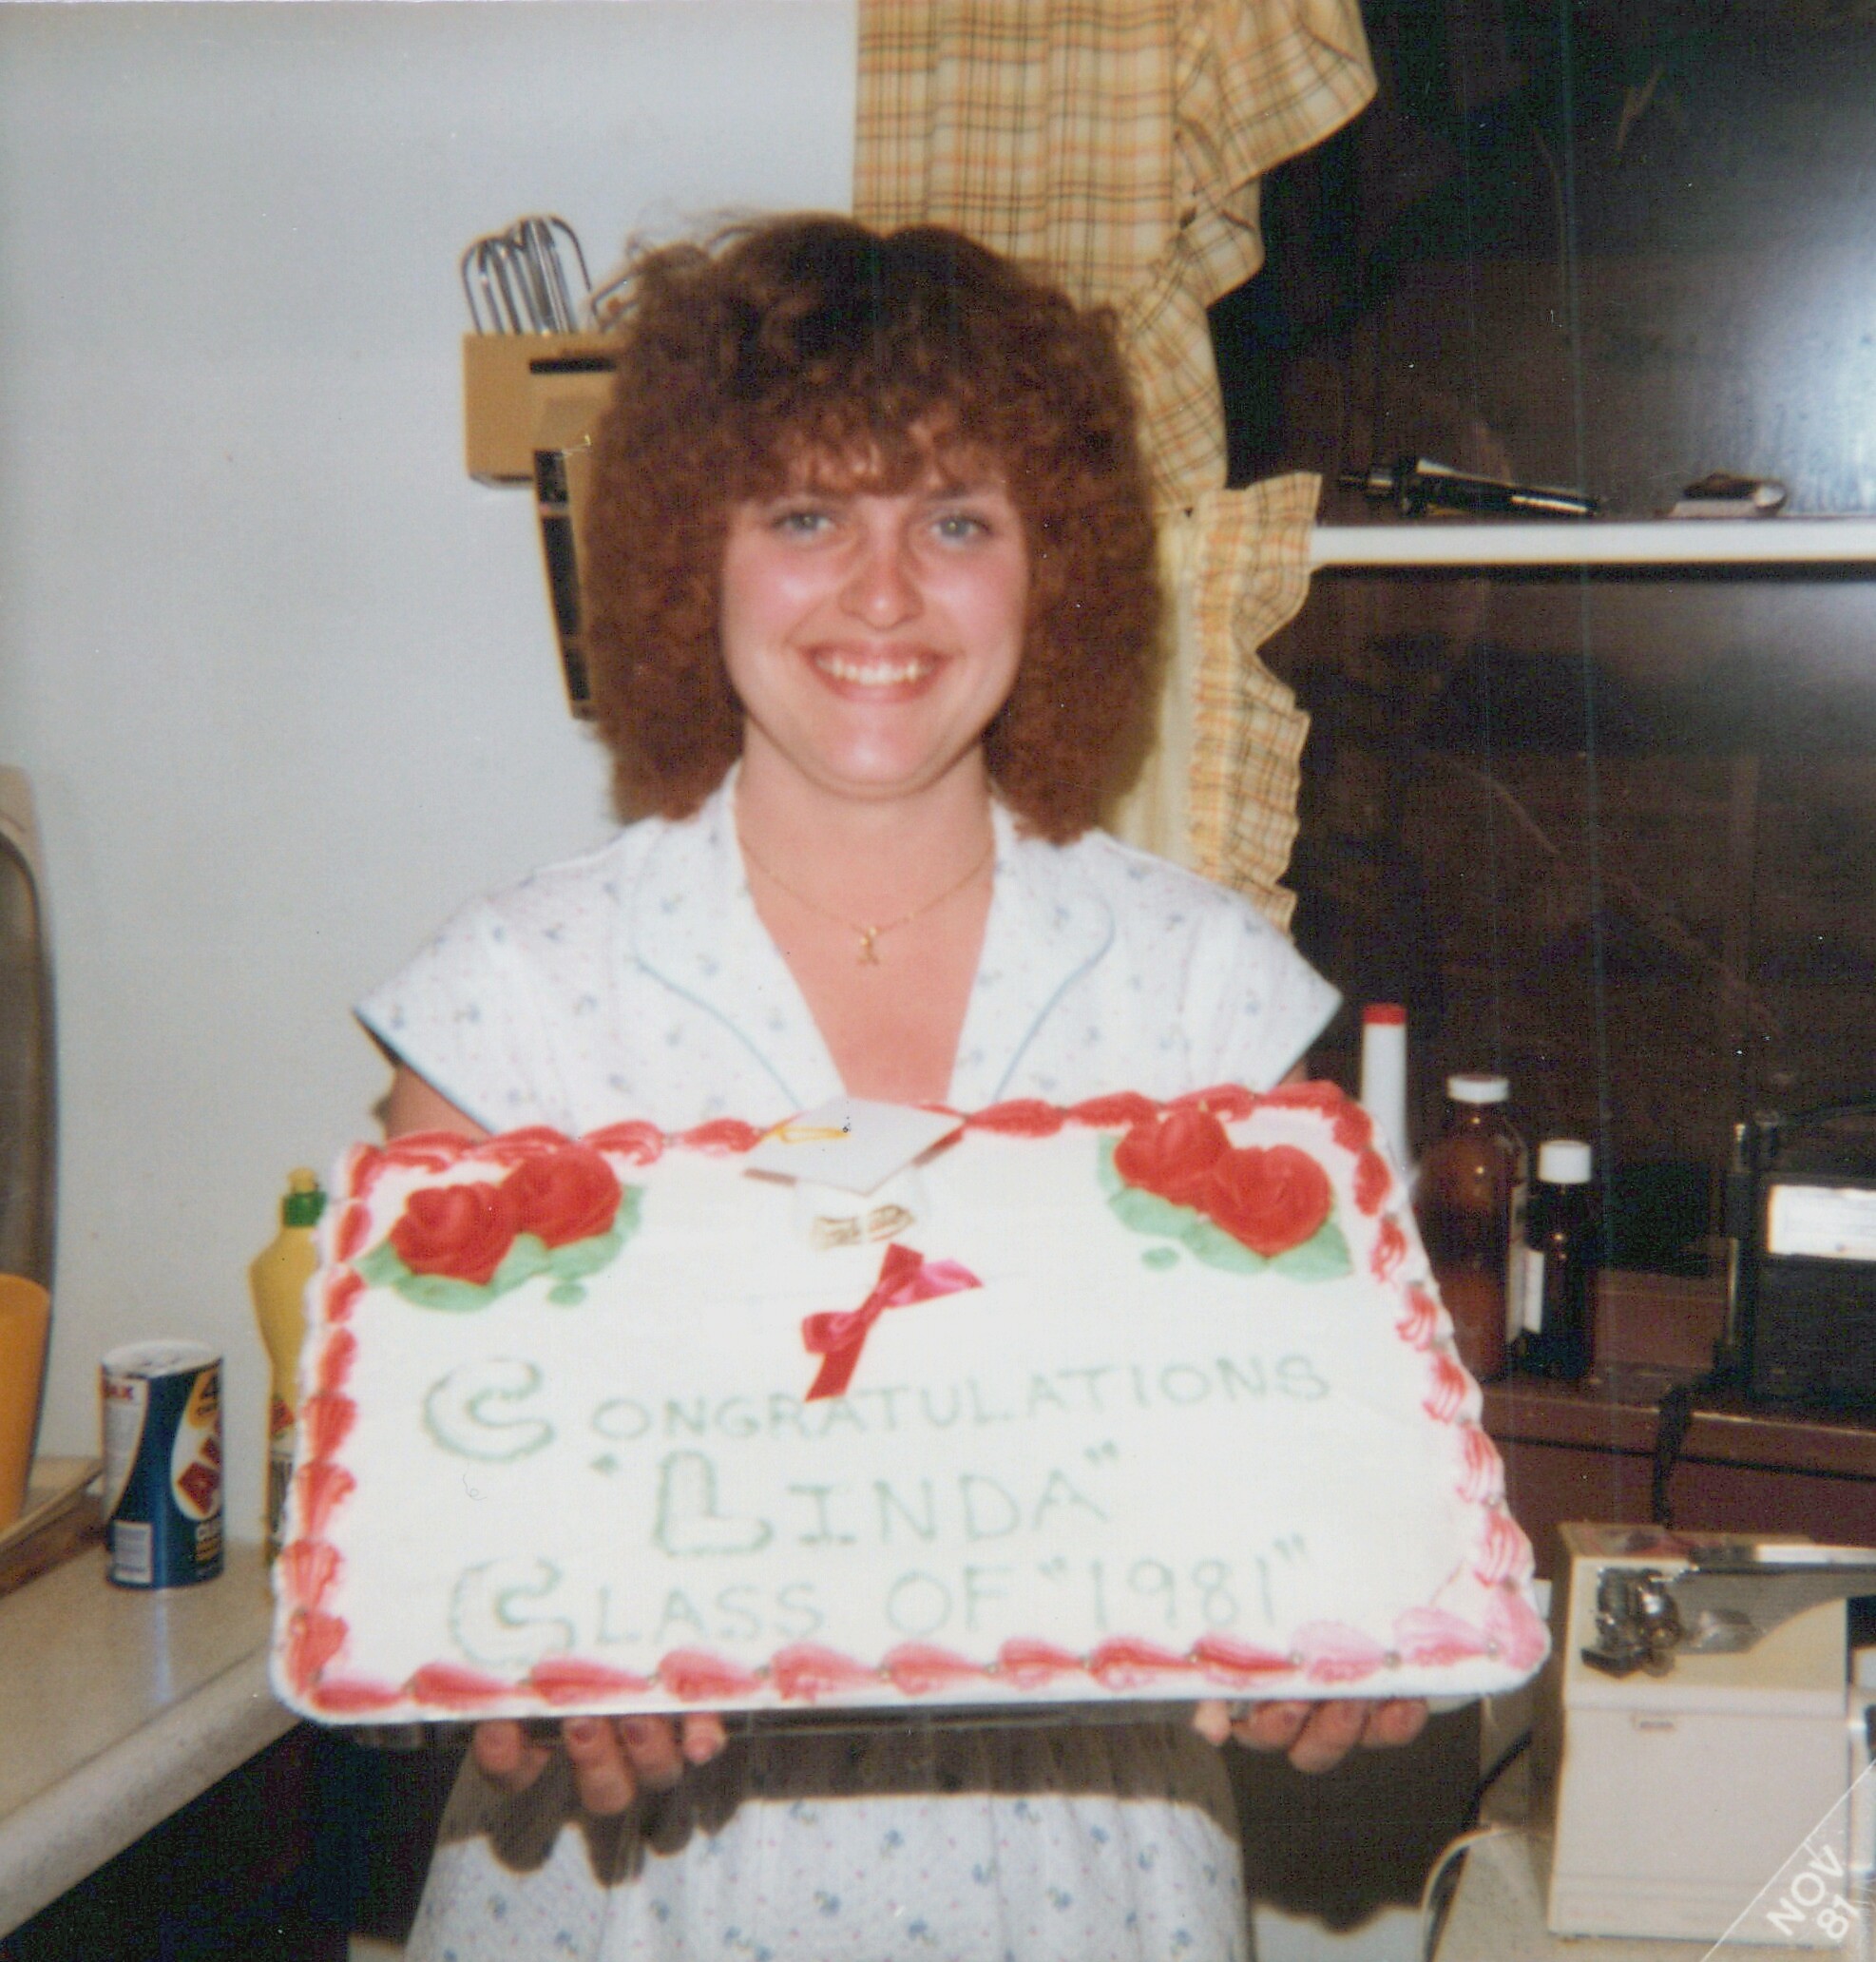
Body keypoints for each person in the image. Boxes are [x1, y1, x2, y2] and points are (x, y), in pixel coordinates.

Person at [363, 214, 1426, 1962]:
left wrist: (1363, 1616)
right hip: (626, 1906)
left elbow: (1313, 1477)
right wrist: (508, 1669)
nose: (881, 593)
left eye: (954, 520)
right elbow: (417, 1526)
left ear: (1051, 567)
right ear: (688, 559)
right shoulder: (510, 1000)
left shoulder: (1204, 996)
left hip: (1082, 1896)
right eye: (804, 517)